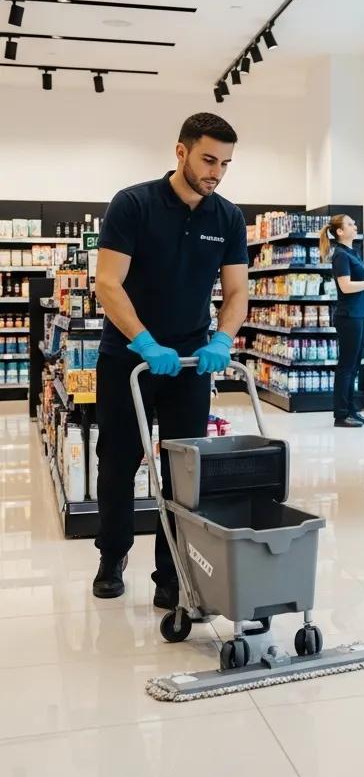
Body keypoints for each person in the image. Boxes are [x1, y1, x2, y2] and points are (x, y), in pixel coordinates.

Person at [91, 112, 249, 607]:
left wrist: (221, 340)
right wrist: (143, 342)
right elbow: (107, 284)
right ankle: (112, 555)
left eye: (224, 163)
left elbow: (238, 290)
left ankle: (171, 573)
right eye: (208, 159)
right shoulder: (132, 204)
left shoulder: (227, 217)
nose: (216, 172)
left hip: (189, 364)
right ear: (180, 152)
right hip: (129, 359)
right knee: (117, 460)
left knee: (184, 469)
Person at [319, 214, 364, 428]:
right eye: (350, 224)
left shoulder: (352, 252)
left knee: (355, 365)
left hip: (358, 314)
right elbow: (346, 286)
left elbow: (358, 282)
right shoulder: (340, 255)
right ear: (339, 231)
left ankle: (352, 410)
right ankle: (340, 414)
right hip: (348, 317)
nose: (354, 225)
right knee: (346, 366)